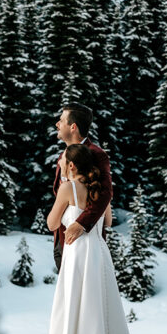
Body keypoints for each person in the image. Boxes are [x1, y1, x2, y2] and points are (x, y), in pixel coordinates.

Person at [38, 141, 149, 334]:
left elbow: (52, 223)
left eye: (63, 161)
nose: (60, 165)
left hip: (77, 254)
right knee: (99, 309)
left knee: (73, 311)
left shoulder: (68, 188)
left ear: (71, 165)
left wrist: (66, 209)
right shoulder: (99, 190)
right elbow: (108, 221)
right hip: (98, 252)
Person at [51, 103, 112, 273]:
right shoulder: (63, 156)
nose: (57, 124)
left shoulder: (97, 154)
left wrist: (81, 224)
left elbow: (106, 192)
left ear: (73, 127)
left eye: (61, 120)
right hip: (62, 239)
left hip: (83, 243)